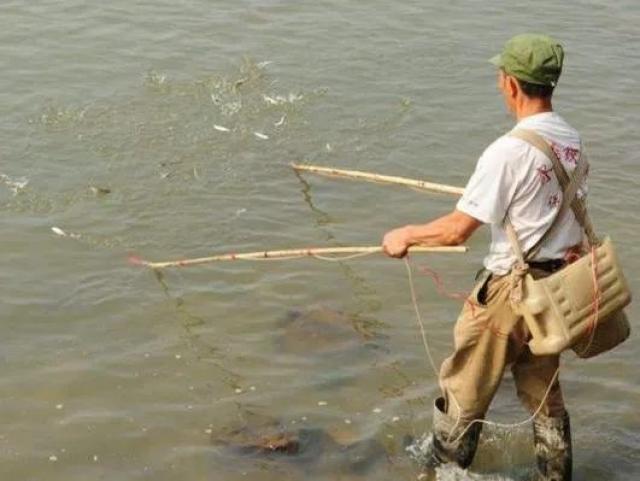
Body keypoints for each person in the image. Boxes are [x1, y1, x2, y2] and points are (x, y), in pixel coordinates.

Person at [382, 34, 584, 480]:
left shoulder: (507, 151)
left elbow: (457, 230)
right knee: (545, 397)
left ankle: (444, 472)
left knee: (464, 389)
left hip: (509, 294)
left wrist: (405, 235)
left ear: (511, 83)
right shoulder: (571, 140)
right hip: (552, 294)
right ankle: (556, 475)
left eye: (500, 76)